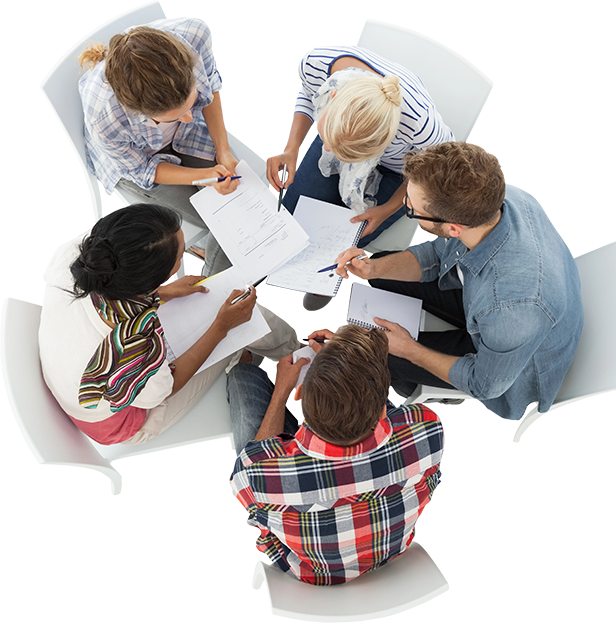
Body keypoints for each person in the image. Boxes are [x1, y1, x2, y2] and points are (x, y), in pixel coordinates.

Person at [335, 142, 584, 420]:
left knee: (379, 355)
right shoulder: (497, 200)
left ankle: (403, 379)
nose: (405, 205)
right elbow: (438, 253)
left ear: (454, 227)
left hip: (507, 362)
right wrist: (372, 269)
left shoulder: (511, 311)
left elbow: (485, 384)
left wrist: (410, 350)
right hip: (493, 306)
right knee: (385, 270)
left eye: (411, 209)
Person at [38, 204, 299, 446]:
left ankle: (283, 358)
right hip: (126, 420)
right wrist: (221, 327)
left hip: (72, 377)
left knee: (233, 317)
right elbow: (166, 386)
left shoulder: (77, 257)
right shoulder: (132, 345)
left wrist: (161, 292)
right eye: (179, 259)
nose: (183, 259)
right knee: (244, 321)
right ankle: (299, 361)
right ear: (147, 283)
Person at [229, 325, 444, 585]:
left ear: (298, 398)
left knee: (242, 375)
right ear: (381, 411)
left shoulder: (256, 475)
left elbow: (254, 460)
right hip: (391, 549)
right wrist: (350, 367)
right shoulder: (427, 427)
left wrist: (280, 392)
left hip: (311, 571)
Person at [78, 18, 238, 276]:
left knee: (238, 207)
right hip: (137, 166)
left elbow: (213, 88)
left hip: (187, 139)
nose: (189, 116)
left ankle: (208, 257)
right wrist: (204, 177)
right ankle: (211, 294)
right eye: (175, 115)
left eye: (191, 102)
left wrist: (223, 150)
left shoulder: (195, 36)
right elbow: (143, 169)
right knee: (225, 223)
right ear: (139, 112)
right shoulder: (103, 116)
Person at [266, 46, 454, 248]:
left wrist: (387, 209)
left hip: (400, 170)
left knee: (337, 245)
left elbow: (435, 167)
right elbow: (309, 93)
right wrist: (293, 149)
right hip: (345, 133)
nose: (326, 149)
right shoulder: (316, 63)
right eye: (326, 137)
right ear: (333, 96)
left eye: (343, 151)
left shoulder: (420, 124)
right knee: (289, 218)